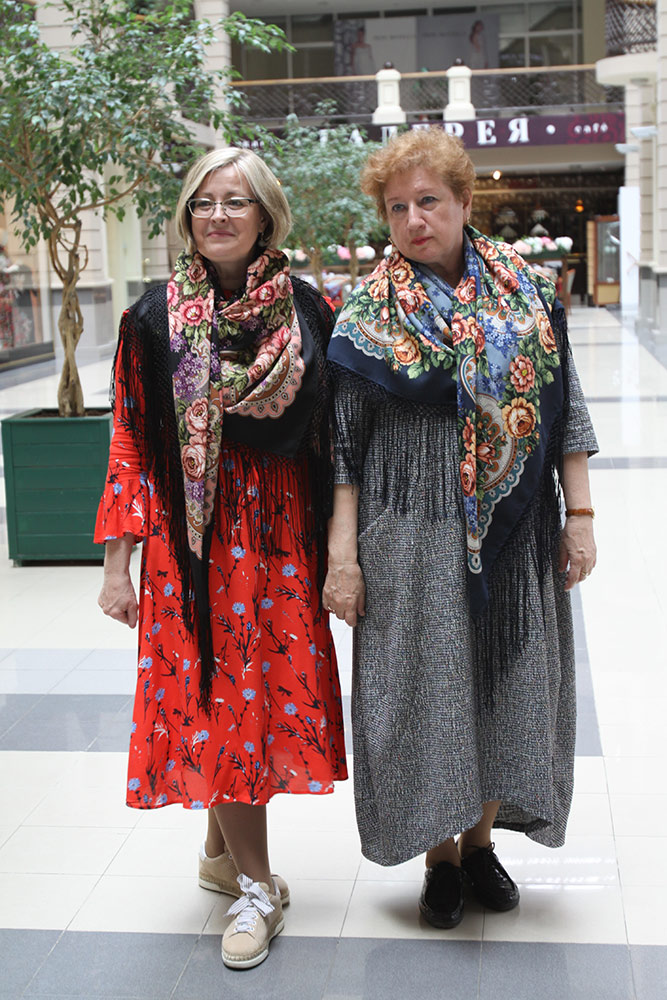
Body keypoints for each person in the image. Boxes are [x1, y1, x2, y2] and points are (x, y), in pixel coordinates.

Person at [324, 127, 597, 929]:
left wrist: (580, 518)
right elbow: (341, 450)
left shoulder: (526, 295)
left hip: (515, 528)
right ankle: (438, 859)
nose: (412, 220)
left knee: (504, 681)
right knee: (425, 691)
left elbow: (566, 413)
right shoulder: (365, 313)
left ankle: (480, 846)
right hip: (408, 531)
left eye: (428, 202)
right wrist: (342, 556)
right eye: (396, 207)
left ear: (464, 202)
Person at [96, 147, 347, 968]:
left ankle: (219, 855)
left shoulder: (308, 311)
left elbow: (337, 435)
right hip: (194, 544)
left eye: (235, 201)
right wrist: (117, 565)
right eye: (202, 202)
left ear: (266, 214)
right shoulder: (153, 318)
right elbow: (131, 439)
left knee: (254, 700)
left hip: (281, 541)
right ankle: (257, 887)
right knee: (221, 701)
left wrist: (343, 546)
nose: (216, 216)